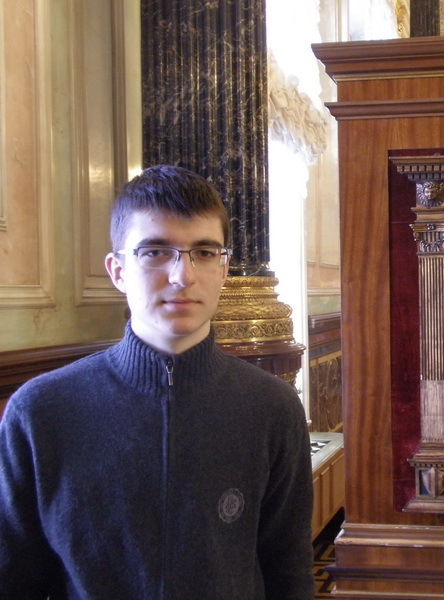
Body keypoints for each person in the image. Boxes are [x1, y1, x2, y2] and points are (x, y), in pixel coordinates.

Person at [0, 165, 314, 599]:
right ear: (118, 270)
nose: (182, 276)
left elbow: (288, 571)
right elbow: (14, 577)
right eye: (154, 251)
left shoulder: (272, 406)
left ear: (224, 269)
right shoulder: (42, 411)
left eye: (204, 252)